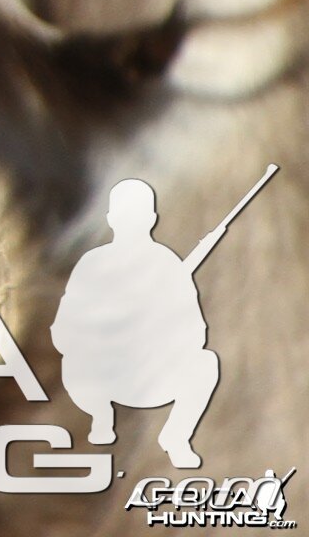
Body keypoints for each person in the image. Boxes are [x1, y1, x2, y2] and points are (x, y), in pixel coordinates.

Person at [60, 177, 225, 468]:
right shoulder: (91, 260)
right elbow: (63, 326)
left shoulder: (168, 262)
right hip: (99, 375)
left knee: (206, 365)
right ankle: (101, 421)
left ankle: (175, 436)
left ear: (151, 218)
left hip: (150, 375)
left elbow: (197, 330)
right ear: (111, 217)